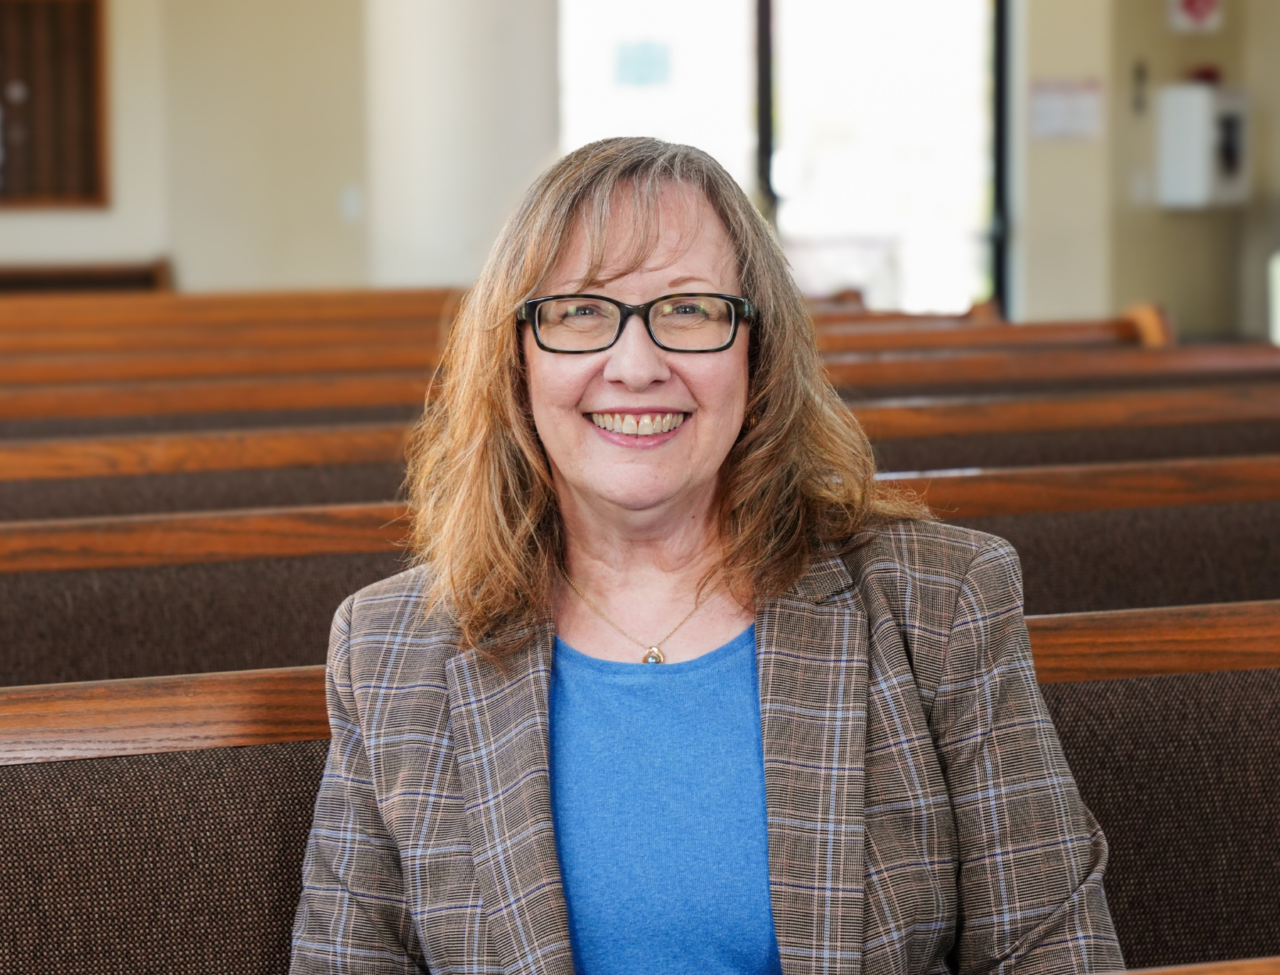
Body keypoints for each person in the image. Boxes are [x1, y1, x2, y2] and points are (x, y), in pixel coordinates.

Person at [291, 137, 1122, 975]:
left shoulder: (936, 601)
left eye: (689, 309)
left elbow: (1053, 951)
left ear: (757, 351)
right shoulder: (389, 649)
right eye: (580, 311)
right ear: (517, 358)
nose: (636, 366)